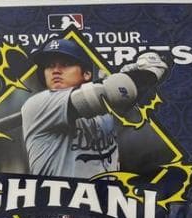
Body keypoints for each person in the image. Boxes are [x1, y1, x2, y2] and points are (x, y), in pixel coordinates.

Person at [20, 36, 169, 178]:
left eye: (65, 64)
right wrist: (149, 74)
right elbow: (112, 91)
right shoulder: (38, 104)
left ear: (86, 74)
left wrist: (127, 76)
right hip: (61, 195)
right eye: (49, 66)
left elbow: (123, 95)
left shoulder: (104, 109)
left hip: (105, 193)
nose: (55, 70)